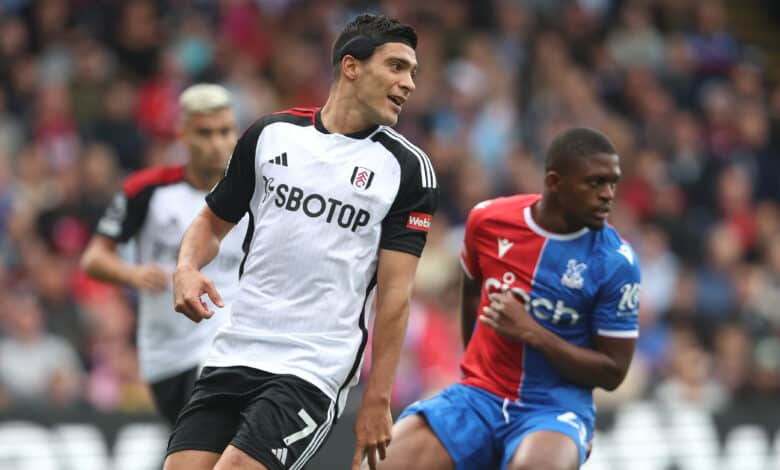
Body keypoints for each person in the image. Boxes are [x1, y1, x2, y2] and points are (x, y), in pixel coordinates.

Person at [164, 13, 438, 470]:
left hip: (312, 369)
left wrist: (378, 398)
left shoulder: (407, 169)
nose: (408, 83)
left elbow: (395, 294)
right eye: (396, 67)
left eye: (412, 72)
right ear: (351, 67)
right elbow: (212, 221)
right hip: (236, 349)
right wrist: (186, 268)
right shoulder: (271, 135)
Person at [377, 128, 641, 470]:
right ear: (555, 183)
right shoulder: (488, 221)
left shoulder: (616, 262)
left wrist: (533, 332)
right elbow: (473, 295)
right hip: (479, 395)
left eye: (612, 183)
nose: (608, 195)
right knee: (380, 462)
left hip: (553, 409)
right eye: (595, 183)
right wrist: (475, 372)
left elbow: (613, 372)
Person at [80, 83, 246, 425]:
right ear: (182, 135)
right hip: (166, 353)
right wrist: (133, 274)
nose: (217, 143)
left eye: (225, 131)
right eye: (204, 133)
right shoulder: (147, 191)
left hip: (227, 342)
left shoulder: (256, 193)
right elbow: (93, 258)